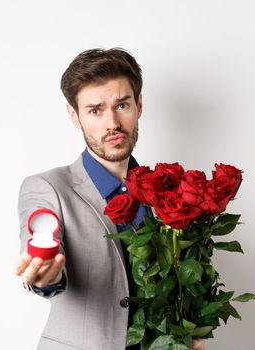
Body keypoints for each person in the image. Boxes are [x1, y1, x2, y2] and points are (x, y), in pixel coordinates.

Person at [12, 48, 206, 350]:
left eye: (122, 105)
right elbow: (42, 245)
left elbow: (186, 280)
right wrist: (45, 273)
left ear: (138, 105)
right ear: (74, 115)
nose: (112, 122)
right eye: (95, 110)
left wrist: (192, 334)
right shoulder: (48, 188)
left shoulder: (170, 191)